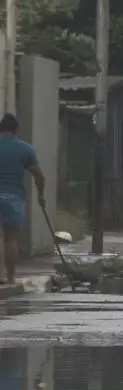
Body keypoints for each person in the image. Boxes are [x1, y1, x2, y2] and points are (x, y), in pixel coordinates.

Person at [0, 114, 45, 285]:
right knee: (10, 238)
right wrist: (41, 195)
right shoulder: (24, 149)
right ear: (16, 130)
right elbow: (39, 176)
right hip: (14, 198)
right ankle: (11, 277)